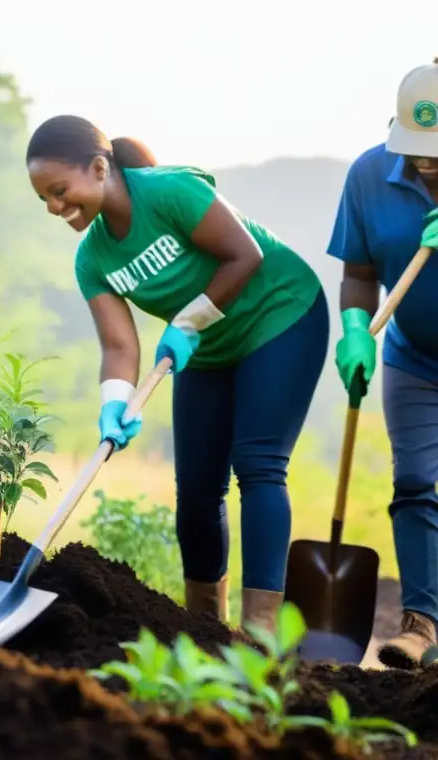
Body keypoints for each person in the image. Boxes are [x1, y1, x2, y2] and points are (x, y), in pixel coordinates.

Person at [25, 115, 329, 632]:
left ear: (99, 167)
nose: (55, 207)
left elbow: (244, 254)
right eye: (45, 200)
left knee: (257, 465)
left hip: (281, 315)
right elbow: (119, 344)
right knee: (195, 487)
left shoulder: (170, 191)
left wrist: (187, 322)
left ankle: (261, 635)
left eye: (59, 190)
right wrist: (114, 403)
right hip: (206, 346)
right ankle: (206, 628)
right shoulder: (91, 258)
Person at [325, 58, 438, 669]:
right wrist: (353, 331)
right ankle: (422, 625)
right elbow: (358, 273)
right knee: (415, 483)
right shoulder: (370, 175)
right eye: (416, 145)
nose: (426, 159)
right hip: (415, 358)